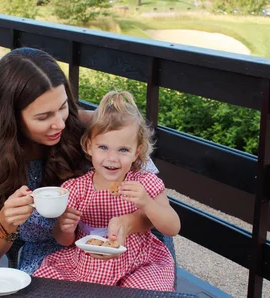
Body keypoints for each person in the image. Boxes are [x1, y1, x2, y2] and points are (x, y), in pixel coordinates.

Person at [0, 47, 176, 276]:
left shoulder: (92, 130)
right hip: (48, 260)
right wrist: (7, 221)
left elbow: (149, 192)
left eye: (63, 107)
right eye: (44, 117)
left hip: (122, 251)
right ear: (11, 117)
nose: (61, 124)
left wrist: (126, 224)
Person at [32, 91, 180, 291]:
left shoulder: (144, 183)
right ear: (89, 146)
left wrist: (147, 203)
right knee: (49, 287)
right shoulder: (76, 189)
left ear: (137, 151)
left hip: (139, 264)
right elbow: (65, 241)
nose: (112, 158)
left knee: (143, 292)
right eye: (103, 147)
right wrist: (64, 227)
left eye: (123, 150)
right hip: (86, 266)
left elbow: (173, 227)